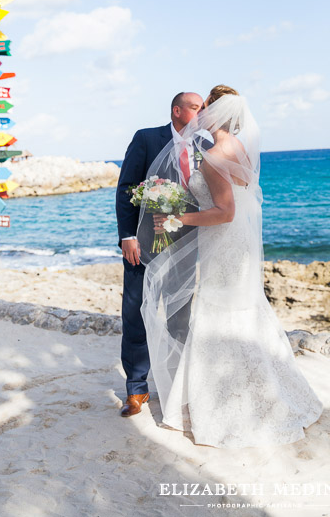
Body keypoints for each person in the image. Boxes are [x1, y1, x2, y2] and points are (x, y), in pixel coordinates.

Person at [137, 85, 323, 448]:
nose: (200, 112)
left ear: (216, 114)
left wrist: (176, 218)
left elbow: (225, 212)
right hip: (237, 243)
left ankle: (228, 405)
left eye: (206, 106)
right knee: (244, 309)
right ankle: (265, 390)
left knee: (219, 312)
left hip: (224, 241)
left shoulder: (213, 156)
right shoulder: (238, 147)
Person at [116, 92, 210, 417]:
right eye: (196, 108)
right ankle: (136, 390)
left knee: (179, 316)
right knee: (136, 313)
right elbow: (127, 188)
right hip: (142, 245)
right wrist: (127, 235)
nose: (201, 114)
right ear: (177, 110)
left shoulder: (206, 147)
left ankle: (176, 385)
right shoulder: (146, 139)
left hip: (186, 244)